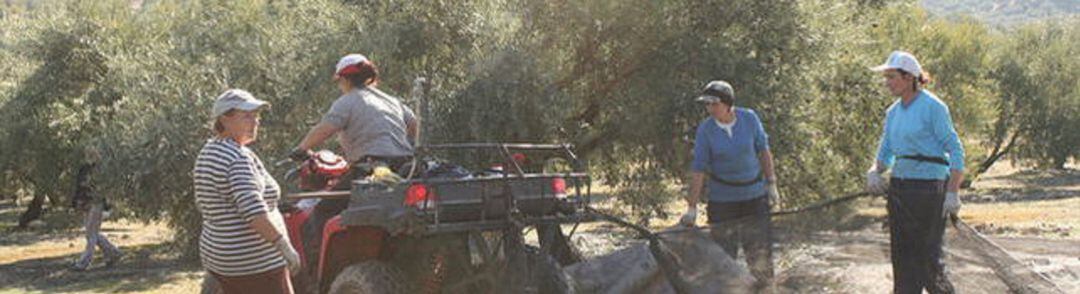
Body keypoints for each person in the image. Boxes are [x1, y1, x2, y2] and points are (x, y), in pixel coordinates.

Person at [289, 53, 419, 277]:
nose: (340, 86)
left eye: (339, 81)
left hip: (369, 170)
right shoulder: (391, 100)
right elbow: (415, 126)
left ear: (345, 80)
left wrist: (301, 149)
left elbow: (325, 128)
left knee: (321, 212)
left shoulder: (348, 101)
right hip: (405, 169)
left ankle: (313, 276)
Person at [865, 51, 964, 294]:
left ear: (909, 77)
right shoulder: (892, 113)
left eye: (892, 77)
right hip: (900, 190)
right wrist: (874, 171)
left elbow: (955, 149)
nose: (887, 82)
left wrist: (952, 192)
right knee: (902, 258)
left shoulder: (934, 107)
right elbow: (885, 152)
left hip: (930, 191)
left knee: (929, 260)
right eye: (886, 77)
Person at [194, 89, 300, 294]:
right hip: (254, 262)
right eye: (247, 116)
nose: (255, 122)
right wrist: (284, 246)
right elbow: (253, 211)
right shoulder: (237, 158)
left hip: (221, 256)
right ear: (225, 119)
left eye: (256, 116)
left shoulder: (209, 151)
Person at [680, 80, 780, 289]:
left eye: (713, 104)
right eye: (707, 105)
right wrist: (692, 207)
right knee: (725, 258)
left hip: (754, 198)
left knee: (760, 255)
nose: (710, 109)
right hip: (723, 203)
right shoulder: (706, 130)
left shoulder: (749, 118)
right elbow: (698, 169)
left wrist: (771, 184)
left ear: (727, 103)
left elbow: (763, 151)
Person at [70, 147, 123, 271]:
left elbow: (103, 189)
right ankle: (114, 253)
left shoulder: (100, 171)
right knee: (92, 233)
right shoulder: (84, 169)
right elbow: (79, 187)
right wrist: (77, 203)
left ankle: (83, 263)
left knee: (91, 234)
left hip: (96, 204)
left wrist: (107, 205)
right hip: (86, 204)